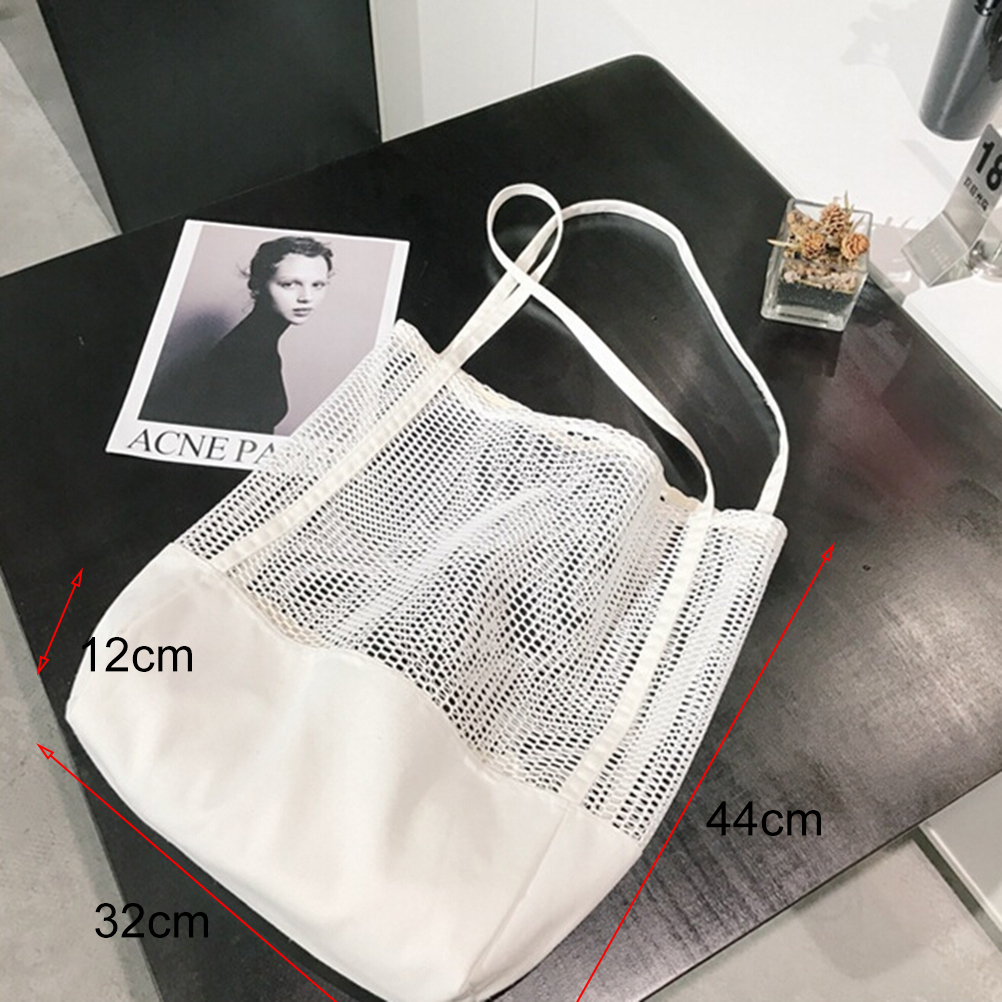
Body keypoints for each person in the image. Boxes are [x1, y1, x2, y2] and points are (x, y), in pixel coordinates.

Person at [172, 236, 334, 434]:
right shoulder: (243, 356)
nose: (307, 298)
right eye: (289, 284)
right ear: (256, 284)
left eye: (317, 285)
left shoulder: (258, 344)